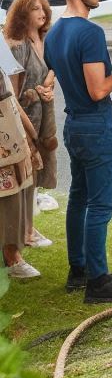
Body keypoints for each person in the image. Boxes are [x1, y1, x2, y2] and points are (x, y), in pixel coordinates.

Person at [45, 0, 112, 302]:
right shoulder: (90, 33)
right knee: (100, 206)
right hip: (95, 124)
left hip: (74, 125)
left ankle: (79, 271)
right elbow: (98, 90)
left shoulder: (54, 32)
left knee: (78, 199)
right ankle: (99, 283)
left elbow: (55, 75)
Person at [5, 0, 59, 247]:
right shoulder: (18, 45)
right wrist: (29, 133)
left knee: (37, 173)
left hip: (43, 115)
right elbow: (12, 95)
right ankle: (25, 232)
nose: (42, 13)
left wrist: (49, 83)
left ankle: (30, 228)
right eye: (35, 9)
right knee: (26, 174)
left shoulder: (44, 37)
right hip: (25, 119)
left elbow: (50, 69)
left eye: (44, 8)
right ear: (22, 13)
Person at [0, 67, 39, 279]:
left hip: (11, 136)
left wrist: (31, 134)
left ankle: (13, 250)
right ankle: (11, 257)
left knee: (17, 192)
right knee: (8, 198)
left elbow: (11, 98)